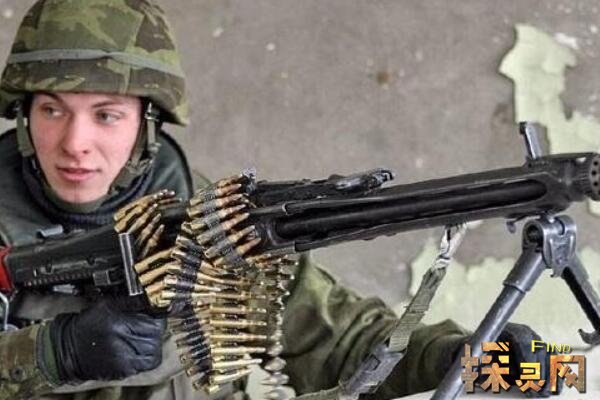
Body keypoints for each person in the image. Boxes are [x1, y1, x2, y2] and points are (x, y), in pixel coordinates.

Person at [0, 1, 552, 400]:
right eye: (52, 110)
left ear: (147, 122)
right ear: (24, 116)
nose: (75, 142)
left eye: (106, 115)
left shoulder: (208, 223)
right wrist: (50, 355)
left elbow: (342, 344)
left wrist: (469, 358)